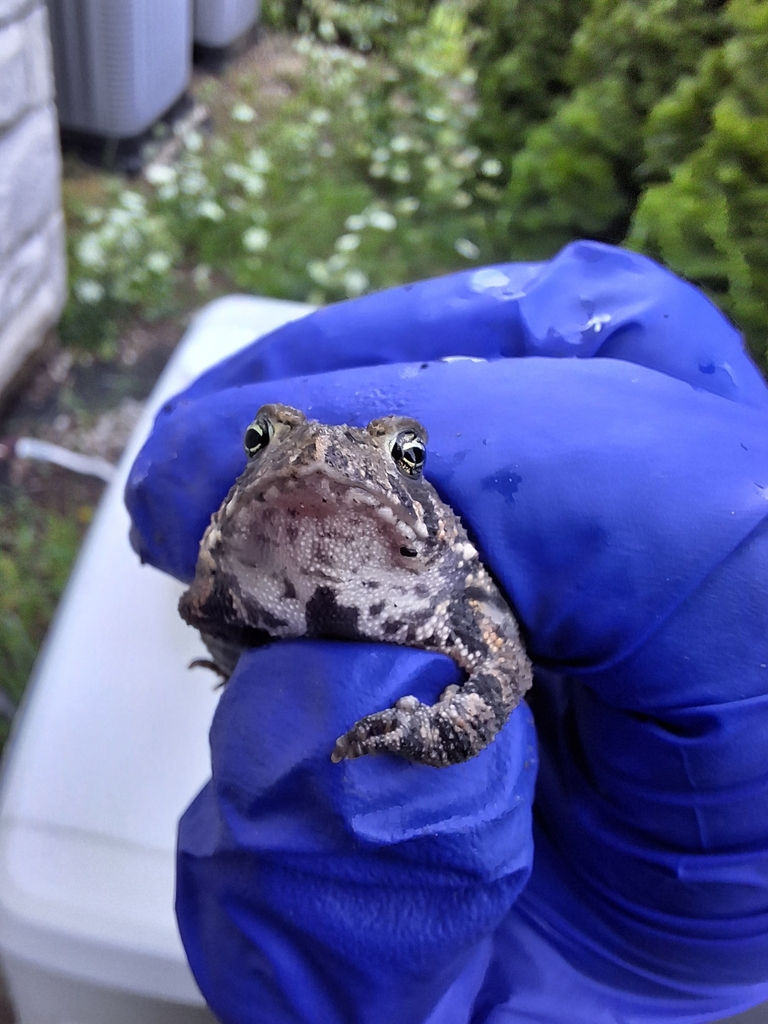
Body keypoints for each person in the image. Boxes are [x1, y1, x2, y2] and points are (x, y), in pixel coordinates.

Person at [126, 240, 768, 1024]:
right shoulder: (234, 540)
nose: (317, 456)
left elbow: (503, 672)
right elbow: (207, 608)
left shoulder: (449, 576)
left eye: (407, 455)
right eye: (264, 441)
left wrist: (440, 733)